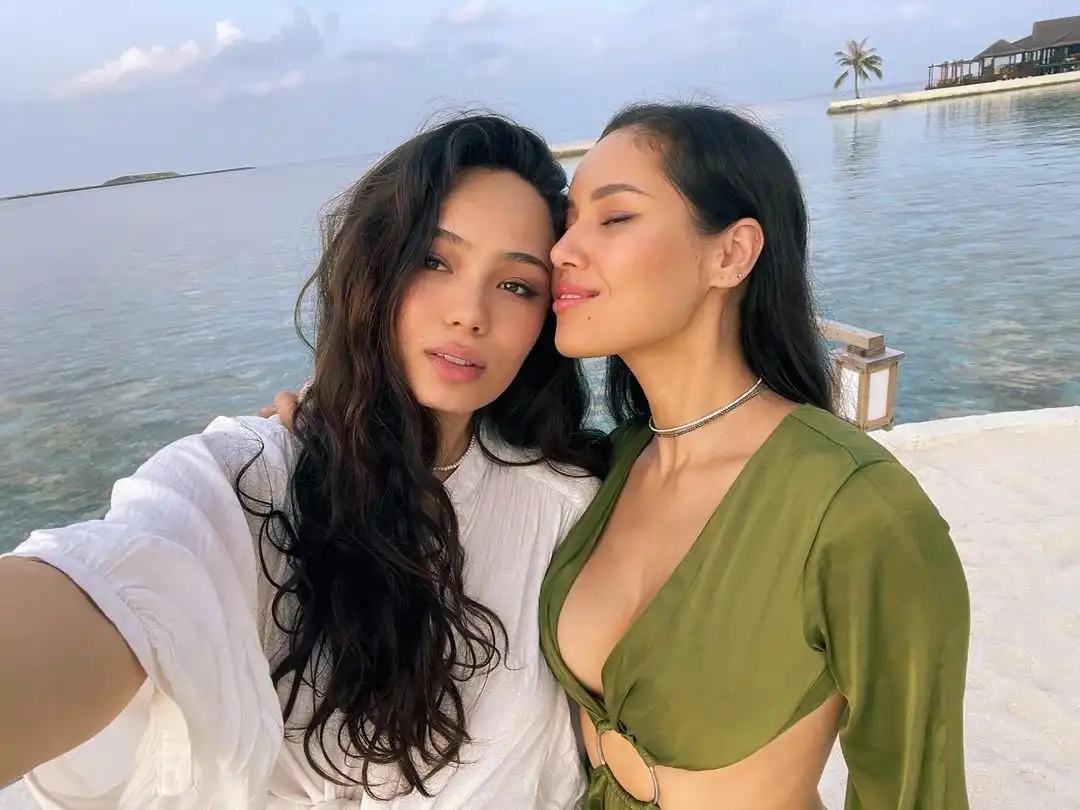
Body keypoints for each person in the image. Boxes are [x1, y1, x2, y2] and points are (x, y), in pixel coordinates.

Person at [0, 114, 609, 809]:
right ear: (373, 268)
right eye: (434, 262)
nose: (470, 313)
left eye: (518, 285)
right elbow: (129, 579)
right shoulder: (250, 480)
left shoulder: (565, 500)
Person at [535, 103, 971, 810]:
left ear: (731, 253)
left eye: (614, 218)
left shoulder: (856, 509)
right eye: (568, 220)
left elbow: (914, 791)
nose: (561, 250)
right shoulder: (608, 467)